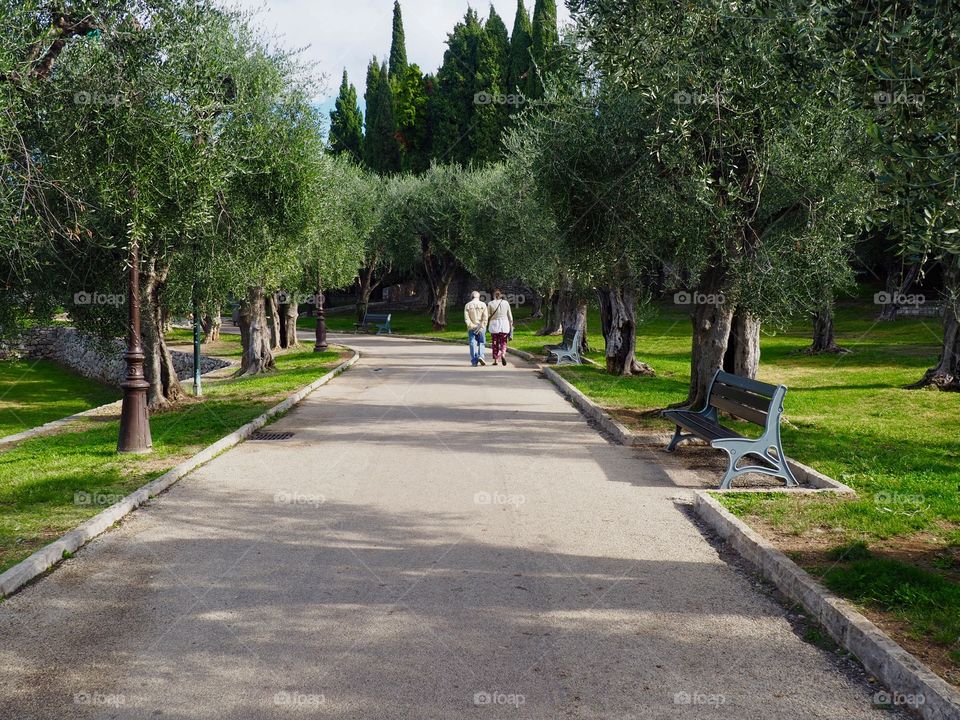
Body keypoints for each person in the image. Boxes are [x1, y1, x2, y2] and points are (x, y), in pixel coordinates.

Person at [487, 289, 514, 366]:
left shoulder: (490, 303)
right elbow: (510, 315)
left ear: (493, 295)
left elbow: (488, 315)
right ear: (501, 295)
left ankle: (496, 360)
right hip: (504, 325)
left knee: (495, 343)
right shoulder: (506, 303)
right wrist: (511, 323)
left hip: (494, 325)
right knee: (503, 342)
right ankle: (503, 354)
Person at [463, 291, 489, 366]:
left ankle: (474, 361)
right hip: (481, 326)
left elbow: (466, 318)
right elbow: (485, 317)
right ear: (479, 297)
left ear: (471, 297)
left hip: (471, 327)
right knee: (481, 342)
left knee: (472, 343)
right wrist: (482, 326)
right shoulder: (483, 304)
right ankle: (481, 356)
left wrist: (471, 326)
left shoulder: (467, 305)